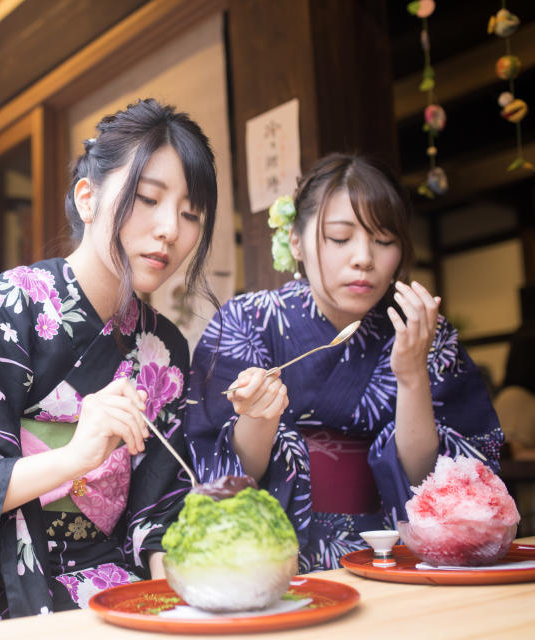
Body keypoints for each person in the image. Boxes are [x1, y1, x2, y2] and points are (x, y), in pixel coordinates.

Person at [0, 99, 221, 631]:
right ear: (88, 198)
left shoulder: (165, 350)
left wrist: (174, 590)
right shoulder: (4, 307)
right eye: (148, 199)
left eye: (190, 213)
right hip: (1, 590)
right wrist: (75, 458)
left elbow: (159, 503)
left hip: (117, 586)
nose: (170, 229)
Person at [184, 153, 503, 573]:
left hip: (399, 551)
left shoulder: (425, 332)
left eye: (384, 240)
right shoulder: (246, 322)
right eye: (340, 237)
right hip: (272, 555)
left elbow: (444, 479)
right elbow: (216, 469)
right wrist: (259, 417)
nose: (364, 258)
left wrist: (411, 380)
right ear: (296, 241)